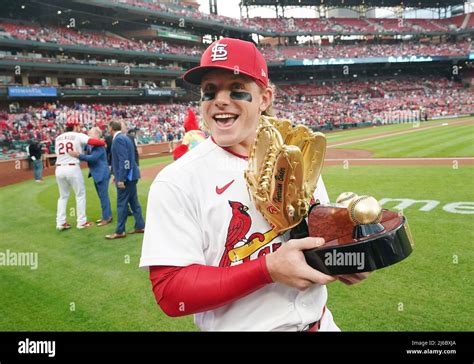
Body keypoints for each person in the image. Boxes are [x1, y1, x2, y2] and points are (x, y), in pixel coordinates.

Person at [140, 38, 368, 331]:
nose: (219, 100)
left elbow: (314, 240)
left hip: (322, 325)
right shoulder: (177, 181)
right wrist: (267, 269)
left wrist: (349, 259)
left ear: (265, 98)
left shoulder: (296, 156)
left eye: (236, 89)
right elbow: (171, 293)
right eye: (209, 92)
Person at [54, 119, 106, 231]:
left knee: (63, 197)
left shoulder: (58, 138)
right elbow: (94, 142)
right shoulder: (77, 135)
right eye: (78, 126)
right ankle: (81, 222)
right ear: (75, 126)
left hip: (59, 168)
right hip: (72, 166)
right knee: (80, 195)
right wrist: (103, 142)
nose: (79, 127)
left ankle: (60, 222)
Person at [105, 120, 145, 239]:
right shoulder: (126, 137)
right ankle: (140, 225)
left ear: (111, 128)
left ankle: (120, 231)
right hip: (132, 175)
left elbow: (124, 160)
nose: (108, 129)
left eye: (108, 127)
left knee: (121, 204)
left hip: (127, 177)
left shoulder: (118, 139)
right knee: (134, 202)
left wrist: (121, 178)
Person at [68, 127, 112, 227]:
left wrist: (78, 155)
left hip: (102, 173)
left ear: (96, 135)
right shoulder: (90, 145)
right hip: (97, 173)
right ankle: (106, 215)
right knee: (102, 196)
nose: (88, 134)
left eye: (90, 133)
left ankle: (107, 217)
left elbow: (92, 158)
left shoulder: (99, 146)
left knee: (103, 196)